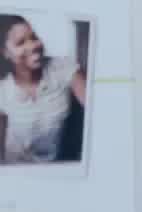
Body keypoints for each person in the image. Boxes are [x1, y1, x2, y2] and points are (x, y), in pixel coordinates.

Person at [0, 14, 86, 165]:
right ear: (5, 52)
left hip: (59, 166)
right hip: (15, 169)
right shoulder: (3, 90)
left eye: (34, 37)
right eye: (20, 43)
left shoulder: (63, 68)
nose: (33, 45)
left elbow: (98, 111)